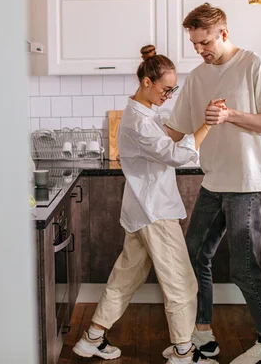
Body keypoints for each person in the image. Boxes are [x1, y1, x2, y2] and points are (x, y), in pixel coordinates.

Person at [72, 45, 216, 364]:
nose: (169, 94)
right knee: (181, 282)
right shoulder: (139, 121)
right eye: (166, 89)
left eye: (173, 89)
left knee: (126, 278)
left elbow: (166, 143)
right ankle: (183, 351)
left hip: (141, 209)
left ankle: (92, 338)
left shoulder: (145, 113)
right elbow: (175, 156)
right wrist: (208, 124)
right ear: (147, 82)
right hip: (155, 213)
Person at [164, 3, 261, 364]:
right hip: (214, 181)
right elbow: (176, 129)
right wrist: (139, 126)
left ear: (224, 32)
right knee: (193, 255)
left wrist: (231, 114)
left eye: (205, 41)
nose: (200, 50)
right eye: (194, 44)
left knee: (244, 267)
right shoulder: (198, 76)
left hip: (249, 183)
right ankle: (203, 333)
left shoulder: (256, 66)